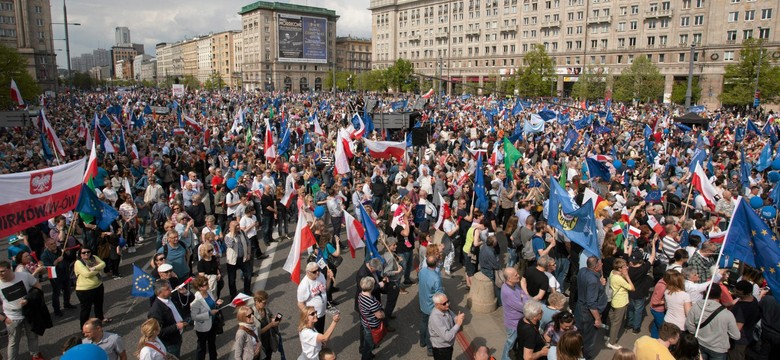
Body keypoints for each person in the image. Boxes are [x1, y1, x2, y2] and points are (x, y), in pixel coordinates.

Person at [0, 260, 44, 360]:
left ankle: (35, 355)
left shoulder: (24, 276)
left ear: (10, 269)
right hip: (12, 317)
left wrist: (29, 299)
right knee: (13, 342)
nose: (0, 274)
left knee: (33, 336)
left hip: (29, 313)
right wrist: (4, 319)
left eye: (2, 271)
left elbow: (38, 286)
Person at [684, 284, 740, 359]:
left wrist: (698, 334)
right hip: (718, 349)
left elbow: (689, 324)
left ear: (706, 293)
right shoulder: (727, 314)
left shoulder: (696, 306)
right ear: (720, 295)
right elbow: (736, 336)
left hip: (699, 344)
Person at [576, 256, 608, 360]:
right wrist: (597, 319)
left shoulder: (582, 271)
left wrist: (600, 284)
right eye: (600, 263)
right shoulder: (593, 281)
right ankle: (586, 357)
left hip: (579, 309)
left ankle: (577, 353)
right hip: (588, 314)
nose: (602, 264)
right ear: (596, 267)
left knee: (579, 334)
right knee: (588, 339)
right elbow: (591, 303)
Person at [148, 279, 186, 358]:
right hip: (170, 343)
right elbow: (158, 332)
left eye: (169, 287)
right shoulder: (155, 311)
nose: (171, 290)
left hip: (177, 336)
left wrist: (185, 293)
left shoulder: (170, 298)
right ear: (159, 292)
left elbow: (187, 302)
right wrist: (176, 326)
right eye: (167, 289)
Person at [190, 275, 223, 360]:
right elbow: (194, 316)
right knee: (202, 347)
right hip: (202, 327)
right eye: (205, 285)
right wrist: (209, 313)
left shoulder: (208, 291)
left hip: (212, 323)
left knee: (212, 344)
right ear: (199, 288)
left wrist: (216, 303)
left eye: (207, 283)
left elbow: (211, 304)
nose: (207, 285)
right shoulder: (196, 300)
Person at [501, 266, 530, 360]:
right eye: (516, 275)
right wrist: (523, 298)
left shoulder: (514, 285)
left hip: (518, 321)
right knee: (510, 344)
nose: (518, 275)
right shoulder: (508, 292)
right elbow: (523, 307)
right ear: (509, 278)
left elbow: (523, 294)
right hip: (513, 324)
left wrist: (523, 298)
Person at [74, 247, 108, 327]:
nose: (86, 254)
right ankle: (84, 327)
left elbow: (103, 263)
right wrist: (98, 270)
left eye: (88, 252)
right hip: (85, 290)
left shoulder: (94, 257)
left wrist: (94, 268)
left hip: (98, 286)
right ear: (80, 254)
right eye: (83, 253)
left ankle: (100, 319)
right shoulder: (78, 263)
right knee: (86, 310)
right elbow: (87, 274)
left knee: (99, 305)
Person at [297, 261, 333, 334]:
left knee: (321, 332)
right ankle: (320, 345)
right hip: (313, 317)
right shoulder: (304, 285)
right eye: (314, 271)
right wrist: (310, 315)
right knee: (315, 335)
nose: (317, 273)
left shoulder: (321, 276)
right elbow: (300, 303)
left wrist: (329, 278)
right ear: (308, 272)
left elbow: (326, 288)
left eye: (318, 270)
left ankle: (322, 345)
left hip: (322, 312)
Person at [607, 258, 635, 350]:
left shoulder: (612, 272)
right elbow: (632, 288)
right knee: (617, 323)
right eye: (624, 266)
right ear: (619, 269)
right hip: (620, 302)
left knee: (612, 319)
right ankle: (612, 342)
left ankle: (610, 335)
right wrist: (627, 276)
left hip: (614, 300)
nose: (626, 267)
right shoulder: (619, 279)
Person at [419, 254, 443, 357]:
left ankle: (422, 341)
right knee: (430, 328)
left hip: (422, 302)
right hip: (431, 306)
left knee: (423, 323)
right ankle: (429, 348)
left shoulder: (422, 271)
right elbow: (439, 294)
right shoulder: (436, 278)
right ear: (436, 263)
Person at [428, 293, 465, 360]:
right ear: (437, 305)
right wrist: (458, 324)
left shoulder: (445, 308)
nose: (447, 304)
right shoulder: (435, 318)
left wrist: (457, 318)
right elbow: (447, 337)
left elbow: (453, 316)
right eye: (444, 303)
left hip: (448, 345)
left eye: (448, 301)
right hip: (441, 349)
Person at [357, 276, 385, 360]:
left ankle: (369, 355)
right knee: (369, 344)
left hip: (365, 322)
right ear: (372, 287)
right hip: (372, 325)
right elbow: (379, 315)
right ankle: (366, 357)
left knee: (367, 340)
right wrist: (383, 313)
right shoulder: (371, 302)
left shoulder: (360, 295)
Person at [225, 220, 253, 298]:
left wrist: (248, 254)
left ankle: (247, 291)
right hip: (232, 261)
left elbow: (248, 243)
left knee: (248, 275)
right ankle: (233, 296)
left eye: (238, 225)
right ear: (230, 228)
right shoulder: (227, 236)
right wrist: (233, 233)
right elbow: (230, 244)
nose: (238, 227)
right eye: (235, 226)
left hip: (243, 259)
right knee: (232, 280)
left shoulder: (242, 233)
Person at [252, 291, 281, 360]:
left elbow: (270, 316)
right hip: (260, 344)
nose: (265, 304)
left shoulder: (265, 309)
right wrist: (271, 325)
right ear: (256, 301)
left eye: (266, 302)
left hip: (268, 341)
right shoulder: (252, 314)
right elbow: (257, 332)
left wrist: (274, 319)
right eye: (264, 303)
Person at [758, 288, 780, 359]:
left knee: (763, 352)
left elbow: (758, 310)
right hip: (777, 334)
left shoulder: (767, 299)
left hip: (766, 331)